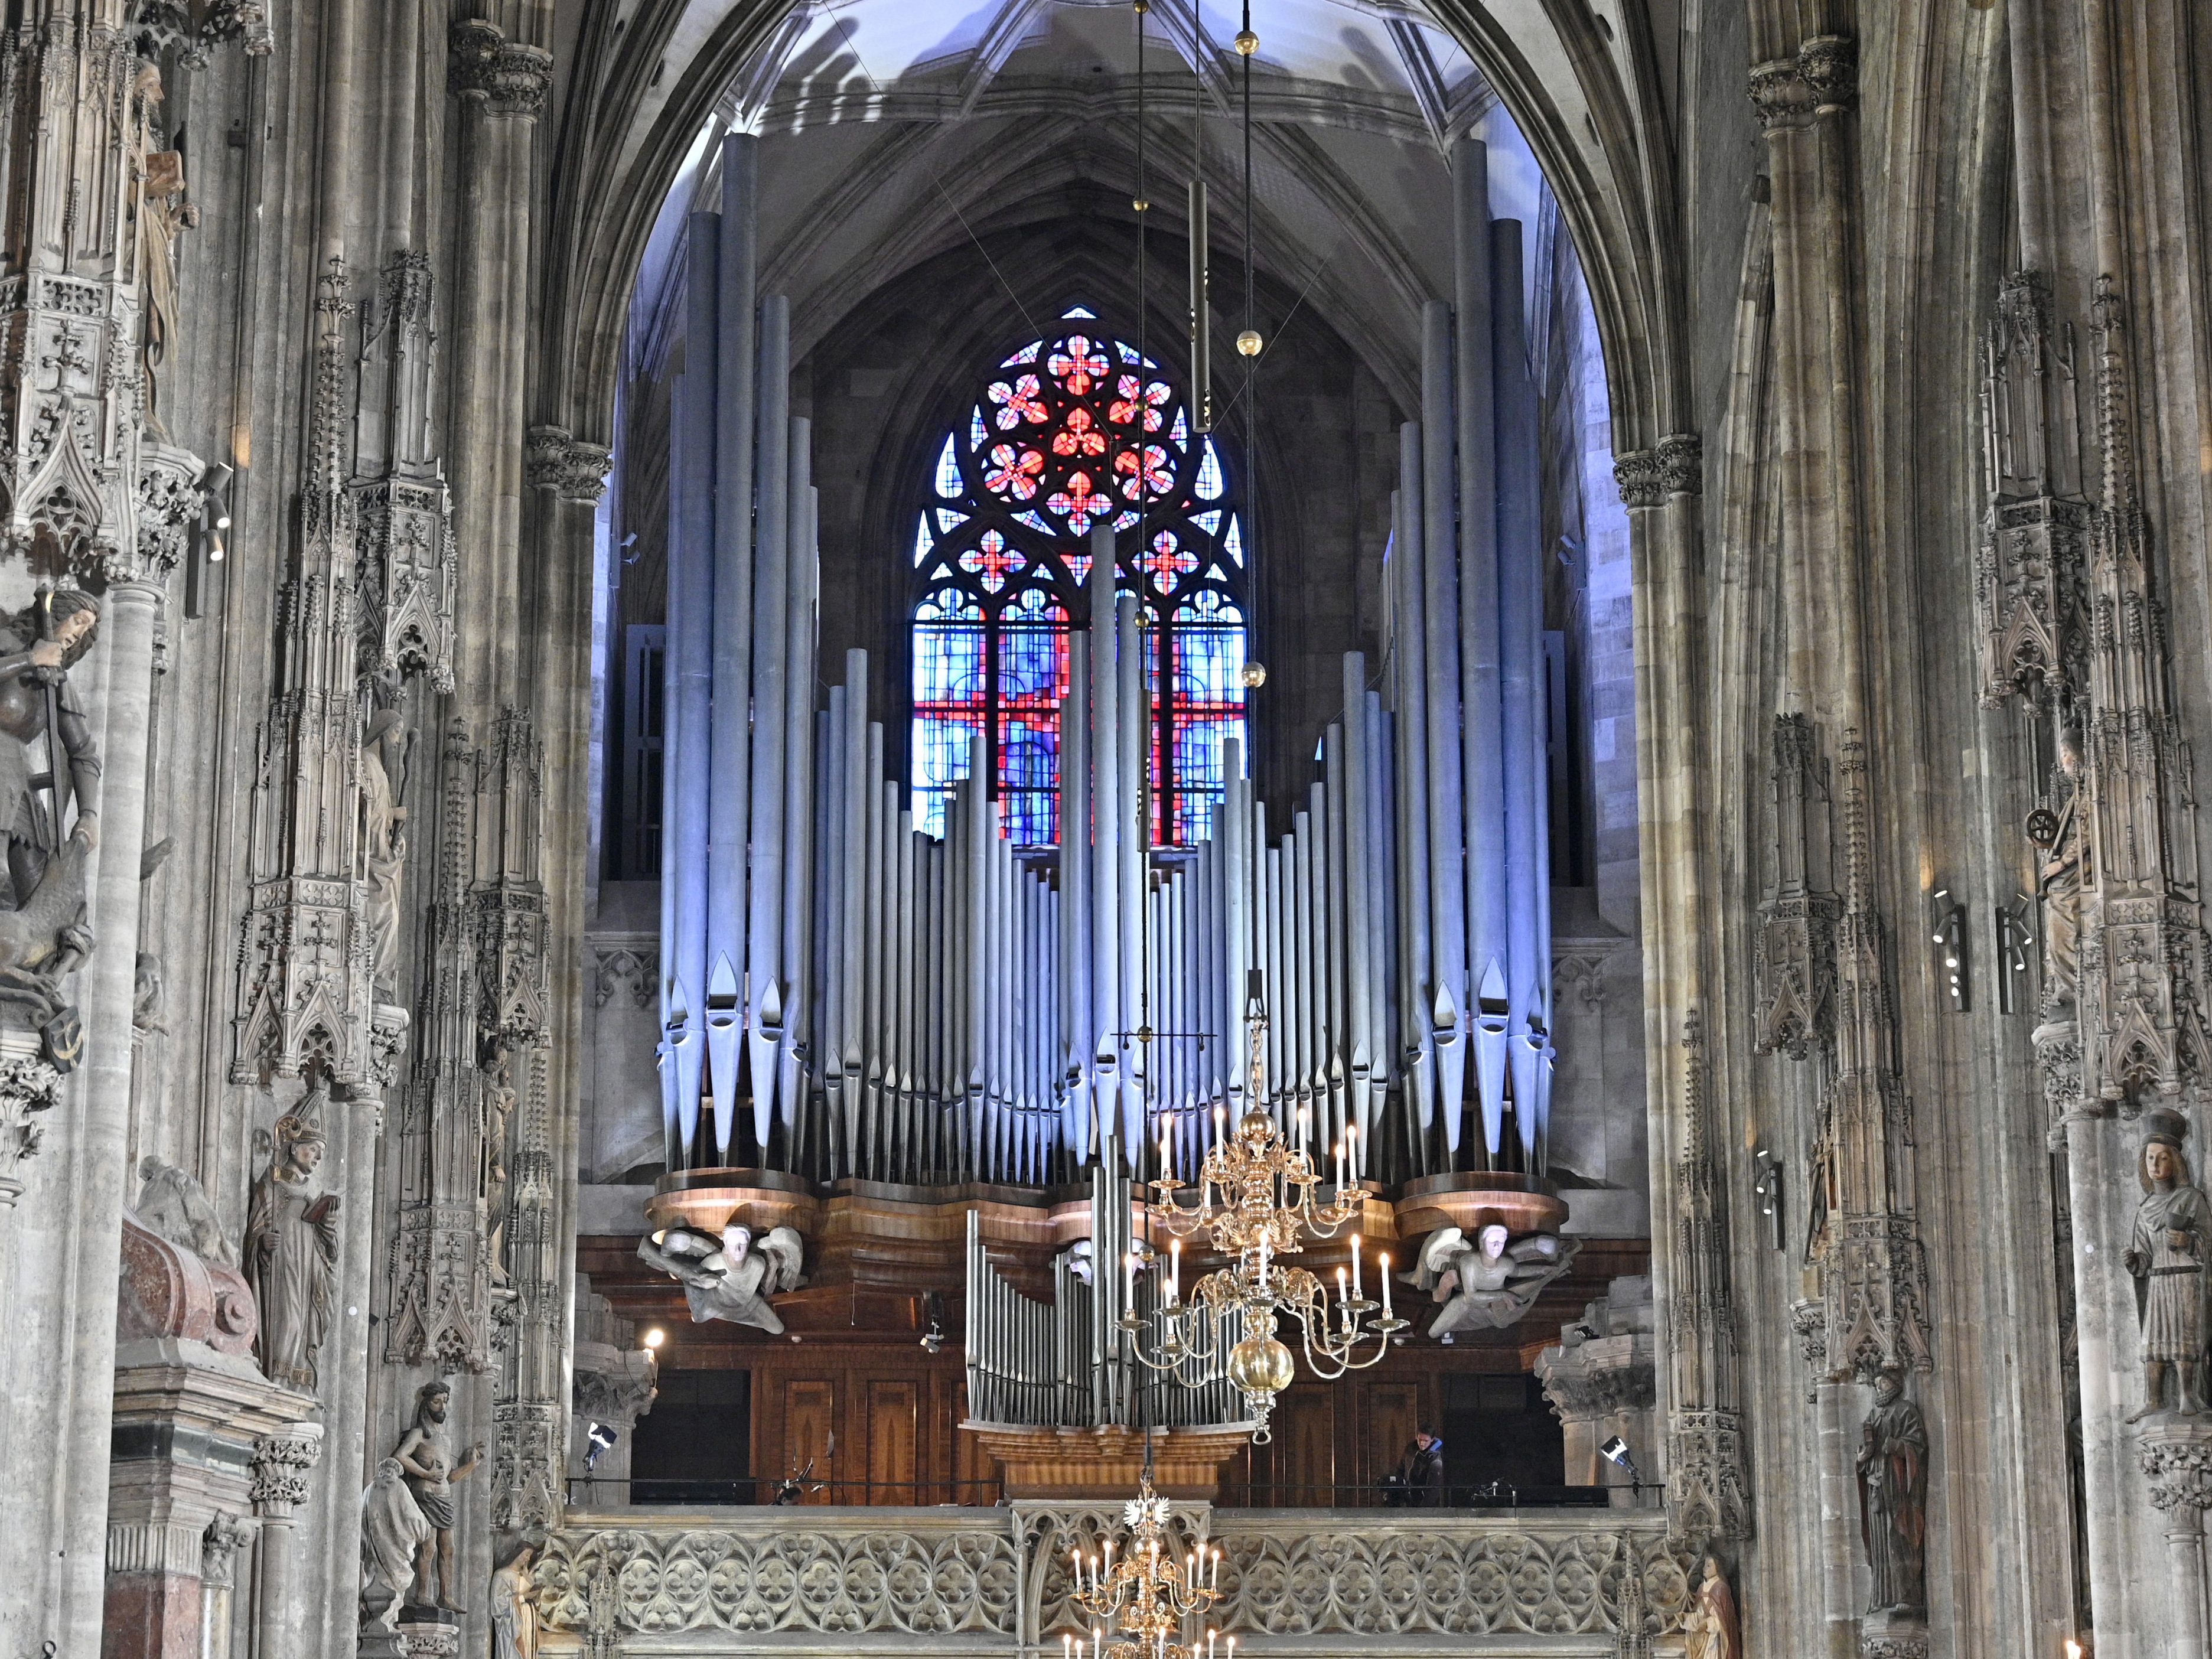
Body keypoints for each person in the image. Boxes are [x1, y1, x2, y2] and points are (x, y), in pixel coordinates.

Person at [0, 591, 101, 910]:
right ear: (57, 613)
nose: (78, 634)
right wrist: (30, 659)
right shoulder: (5, 643)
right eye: (78, 621)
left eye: (86, 630)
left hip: (19, 786)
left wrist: (88, 814)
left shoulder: (55, 682)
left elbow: (83, 751)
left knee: (42, 898)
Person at [243, 1099, 338, 1391]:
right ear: (295, 1148)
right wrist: (262, 1243)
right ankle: (277, 1379)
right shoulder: (272, 1183)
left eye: (321, 1155)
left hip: (305, 1266)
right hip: (283, 1263)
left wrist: (326, 1222)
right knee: (289, 1323)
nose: (317, 1159)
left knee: (301, 1322)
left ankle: (295, 1383)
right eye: (313, 1150)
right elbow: (257, 1228)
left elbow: (325, 1245)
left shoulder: (306, 1193)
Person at [394, 1380, 485, 1614]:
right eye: (436, 1402)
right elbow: (400, 1456)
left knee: (449, 1549)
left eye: (444, 1401)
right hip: (426, 1498)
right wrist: (425, 1473)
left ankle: (446, 1596)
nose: (442, 1407)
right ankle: (423, 1593)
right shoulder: (419, 1434)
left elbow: (449, 1477)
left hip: (444, 1500)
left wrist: (471, 1465)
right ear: (426, 1405)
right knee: (429, 1547)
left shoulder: (445, 1440)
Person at [1383, 1427, 1444, 1507]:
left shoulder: (1435, 1459)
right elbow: (1401, 1470)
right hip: (1407, 1498)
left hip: (1423, 1501)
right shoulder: (1410, 1450)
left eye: (1426, 1441)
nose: (1422, 1443)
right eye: (1420, 1440)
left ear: (1432, 1440)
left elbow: (1433, 1490)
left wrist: (1424, 1508)